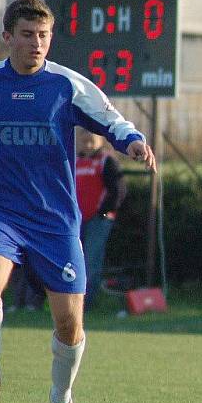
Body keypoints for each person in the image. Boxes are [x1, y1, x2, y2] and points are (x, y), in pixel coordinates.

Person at [0, 0, 156, 403]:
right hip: (0, 209)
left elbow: (109, 117)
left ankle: (61, 402)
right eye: (27, 35)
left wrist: (133, 141)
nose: (36, 43)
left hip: (56, 221)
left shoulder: (65, 84)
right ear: (7, 37)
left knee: (68, 325)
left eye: (43, 35)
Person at [75, 127, 127, 310]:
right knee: (74, 259)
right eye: (84, 134)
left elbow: (118, 190)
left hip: (98, 219)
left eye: (92, 134)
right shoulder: (74, 161)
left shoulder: (106, 160)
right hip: (75, 220)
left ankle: (86, 303)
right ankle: (69, 300)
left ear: (101, 139)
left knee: (91, 260)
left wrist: (104, 211)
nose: (87, 137)